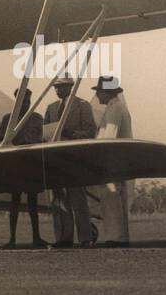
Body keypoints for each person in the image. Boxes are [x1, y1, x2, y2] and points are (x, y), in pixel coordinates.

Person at [44, 75, 96, 247]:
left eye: (61, 86)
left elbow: (90, 131)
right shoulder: (51, 108)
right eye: (56, 87)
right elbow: (44, 132)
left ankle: (85, 237)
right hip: (55, 157)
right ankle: (63, 238)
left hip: (74, 157)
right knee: (58, 199)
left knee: (77, 197)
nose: (57, 90)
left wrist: (70, 134)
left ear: (71, 87)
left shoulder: (82, 105)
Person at [0, 90, 47, 248]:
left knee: (33, 202)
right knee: (15, 201)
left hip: (32, 162)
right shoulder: (7, 119)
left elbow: (41, 139)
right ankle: (12, 239)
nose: (26, 103)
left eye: (28, 100)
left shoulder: (38, 118)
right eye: (23, 101)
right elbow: (0, 139)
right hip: (15, 163)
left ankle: (36, 237)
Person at [93, 75, 132, 248]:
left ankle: (115, 237)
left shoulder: (114, 109)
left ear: (106, 92)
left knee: (111, 196)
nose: (98, 95)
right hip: (119, 159)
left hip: (111, 159)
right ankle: (120, 236)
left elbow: (110, 135)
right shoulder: (119, 107)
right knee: (117, 198)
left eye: (100, 91)